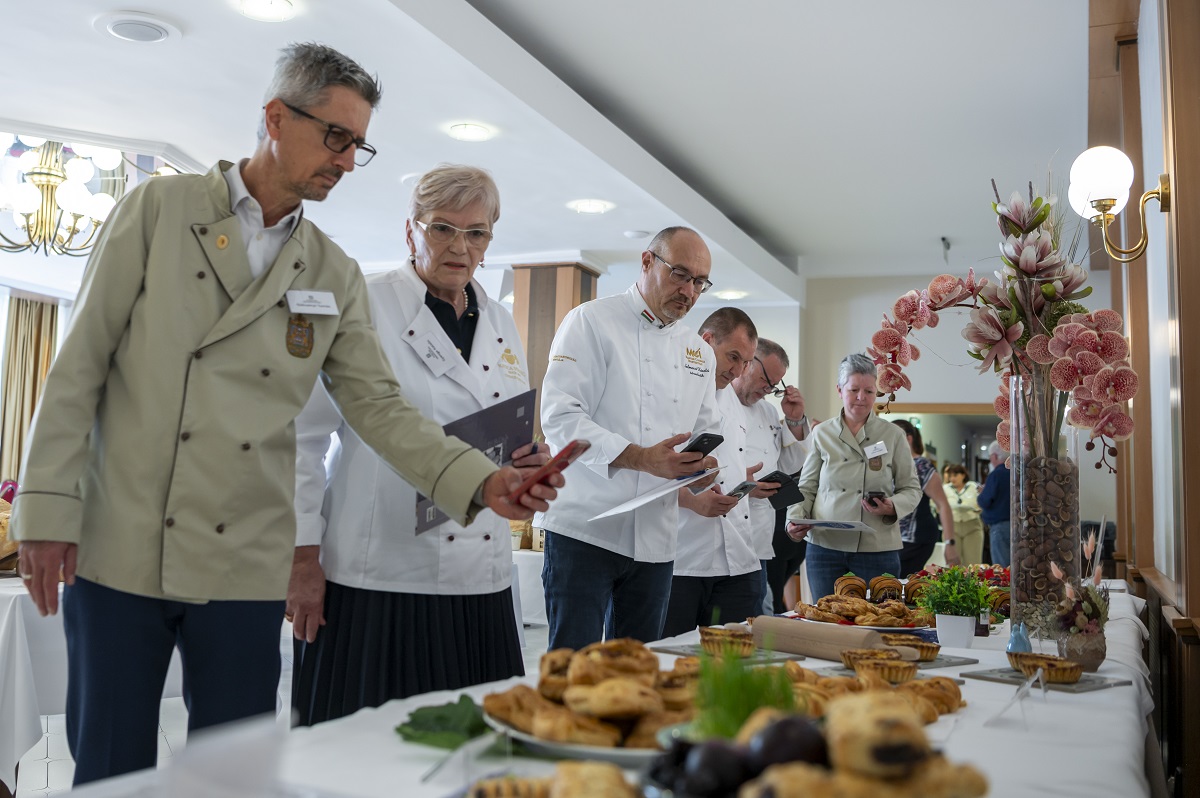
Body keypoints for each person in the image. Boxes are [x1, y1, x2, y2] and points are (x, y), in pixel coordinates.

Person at [11, 45, 559, 785]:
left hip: (245, 557)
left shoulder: (330, 268)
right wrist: (45, 509)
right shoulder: (158, 211)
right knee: (112, 766)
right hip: (124, 541)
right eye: (336, 137)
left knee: (234, 772)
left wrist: (483, 483)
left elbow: (378, 407)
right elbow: (78, 367)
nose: (347, 160)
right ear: (275, 118)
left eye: (358, 145)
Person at [288, 164, 545, 725]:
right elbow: (301, 439)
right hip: (379, 575)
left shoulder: (501, 322)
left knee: (474, 747)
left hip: (482, 579)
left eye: (476, 232)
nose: (460, 246)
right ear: (411, 231)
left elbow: (505, 435)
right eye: (442, 228)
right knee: (366, 750)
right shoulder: (363, 303)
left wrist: (528, 466)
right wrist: (302, 557)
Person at [537, 226, 721, 650]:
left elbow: (707, 432)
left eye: (699, 282)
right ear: (647, 261)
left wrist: (703, 470)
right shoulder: (590, 321)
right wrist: (640, 457)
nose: (689, 291)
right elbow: (561, 419)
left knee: (638, 664)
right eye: (680, 274)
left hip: (657, 538)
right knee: (574, 664)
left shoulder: (699, 352)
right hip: (586, 528)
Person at [783, 354, 921, 600]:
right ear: (839, 390)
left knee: (880, 617)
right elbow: (806, 486)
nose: (861, 397)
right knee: (826, 616)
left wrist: (892, 506)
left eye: (869, 391)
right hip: (824, 546)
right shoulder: (822, 433)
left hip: (877, 546)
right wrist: (793, 519)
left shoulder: (893, 435)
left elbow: (911, 489)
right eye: (854, 390)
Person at [662, 308, 760, 636]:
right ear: (706, 342)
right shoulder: (668, 390)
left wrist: (743, 479)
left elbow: (727, 460)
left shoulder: (732, 399)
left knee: (735, 659)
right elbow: (644, 472)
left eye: (746, 362)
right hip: (682, 559)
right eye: (733, 357)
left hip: (739, 560)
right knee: (671, 657)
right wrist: (693, 501)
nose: (738, 371)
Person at [728, 338, 810, 614]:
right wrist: (743, 484)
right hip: (720, 533)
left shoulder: (768, 411)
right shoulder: (715, 400)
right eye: (765, 380)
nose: (767, 389)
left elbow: (787, 465)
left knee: (757, 620)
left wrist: (795, 420)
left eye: (774, 386)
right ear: (748, 363)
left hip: (759, 539)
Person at [891, 419, 958, 577]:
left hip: (916, 539)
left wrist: (950, 543)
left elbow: (942, 504)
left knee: (900, 581)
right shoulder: (890, 464)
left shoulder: (921, 466)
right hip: (895, 538)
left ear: (908, 439)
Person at [978, 441, 1011, 566]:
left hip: (1000, 527)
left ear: (995, 456)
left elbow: (984, 501)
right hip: (1018, 525)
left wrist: (982, 493)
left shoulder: (996, 475)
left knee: (1002, 568)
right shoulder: (1017, 472)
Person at [944, 463, 985, 566]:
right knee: (954, 564)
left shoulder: (973, 486)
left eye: (955, 475)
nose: (952, 478)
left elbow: (982, 503)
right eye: (950, 476)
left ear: (963, 475)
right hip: (953, 526)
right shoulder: (945, 488)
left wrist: (979, 508)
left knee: (973, 563)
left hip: (972, 526)